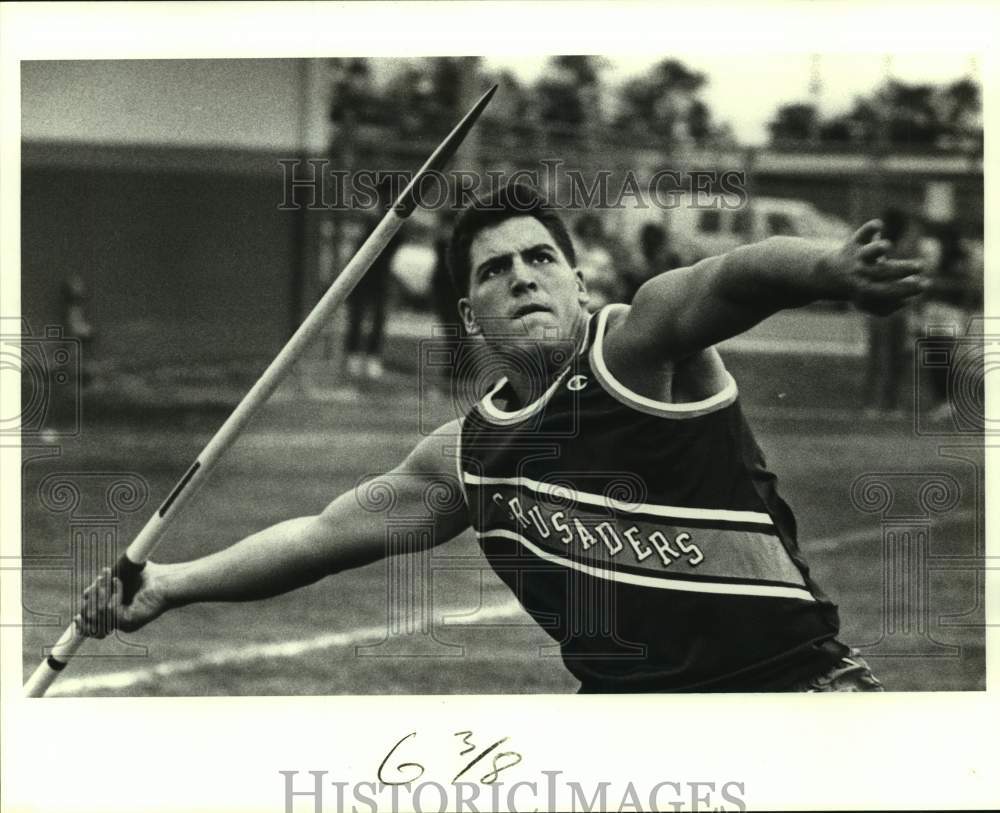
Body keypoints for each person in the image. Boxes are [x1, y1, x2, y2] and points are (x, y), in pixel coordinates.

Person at [78, 184, 925, 692]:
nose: (521, 274)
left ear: (579, 279)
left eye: (540, 258)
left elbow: (729, 275)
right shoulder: (465, 456)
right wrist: (169, 582)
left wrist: (829, 271)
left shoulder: (637, 346)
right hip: (637, 738)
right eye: (494, 269)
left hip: (796, 696)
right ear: (467, 313)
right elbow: (322, 536)